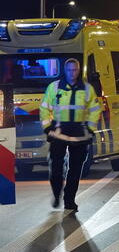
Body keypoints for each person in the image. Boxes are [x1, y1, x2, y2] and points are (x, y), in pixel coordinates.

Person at [40, 58, 100, 211]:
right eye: (69, 70)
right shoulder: (54, 87)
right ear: (65, 71)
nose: (72, 73)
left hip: (80, 134)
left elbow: (94, 110)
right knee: (56, 169)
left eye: (74, 70)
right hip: (59, 133)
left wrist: (90, 128)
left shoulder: (87, 89)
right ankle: (57, 194)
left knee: (75, 170)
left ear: (78, 71)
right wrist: (47, 128)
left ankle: (69, 200)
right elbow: (44, 108)